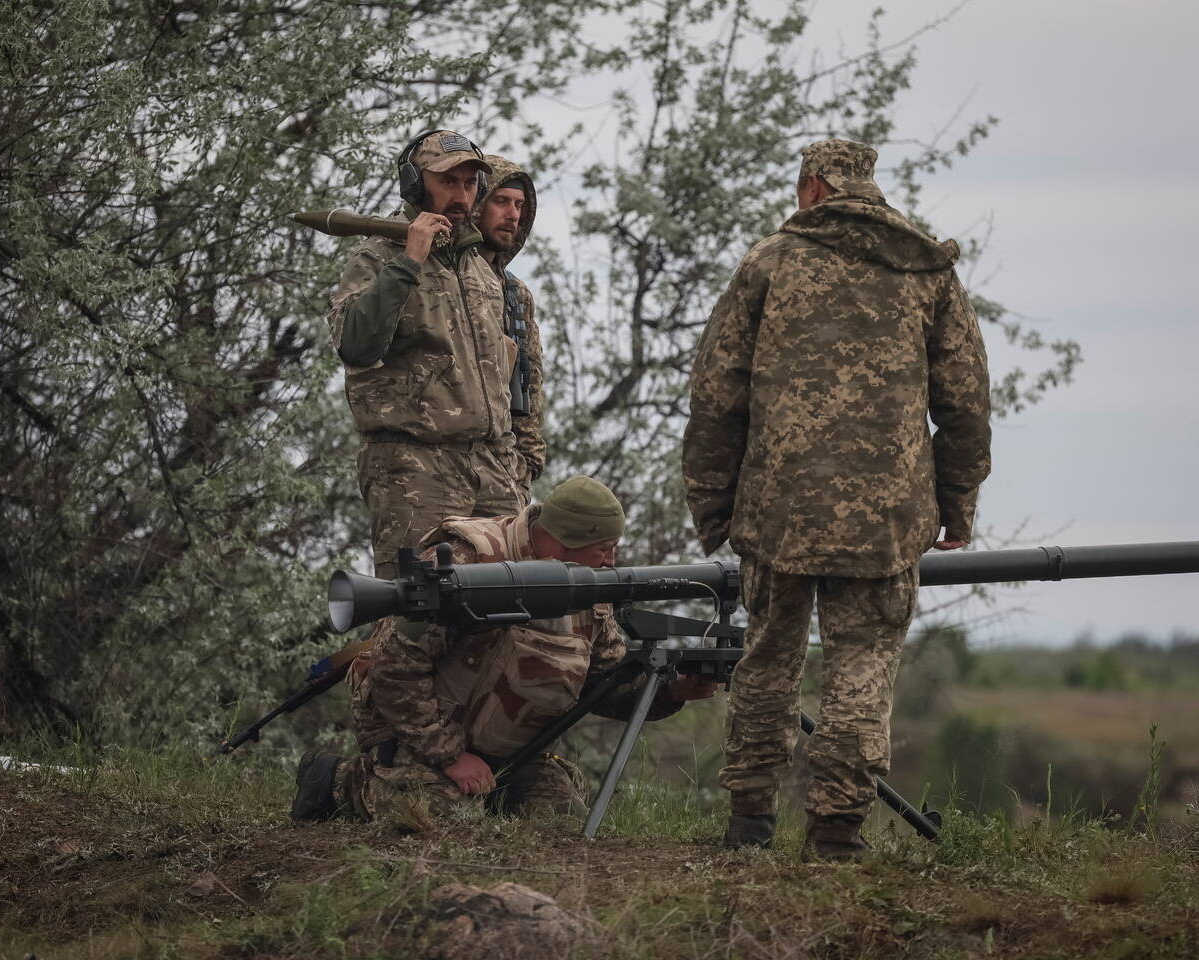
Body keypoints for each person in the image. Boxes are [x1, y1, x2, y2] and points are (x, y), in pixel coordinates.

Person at [681, 139, 991, 861]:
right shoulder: (925, 270)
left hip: (777, 509)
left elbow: (715, 394)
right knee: (864, 663)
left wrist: (712, 504)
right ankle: (837, 831)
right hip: (885, 518)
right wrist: (958, 505)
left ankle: (750, 820)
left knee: (767, 657)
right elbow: (967, 404)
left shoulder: (768, 263)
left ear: (813, 187)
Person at [292, 476, 717, 828]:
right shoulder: (471, 563)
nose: (612, 561)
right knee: (441, 820)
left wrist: (673, 691)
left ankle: (491, 791)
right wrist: (451, 756)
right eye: (602, 549)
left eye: (614, 547)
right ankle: (341, 781)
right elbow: (393, 666)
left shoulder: (590, 584)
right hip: (420, 737)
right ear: (556, 540)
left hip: (512, 752)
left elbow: (604, 684)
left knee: (560, 829)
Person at [326, 129, 524, 582]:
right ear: (415, 184)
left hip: (492, 467)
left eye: (470, 183)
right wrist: (408, 263)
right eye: (448, 181)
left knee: (509, 612)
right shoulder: (377, 257)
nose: (462, 195)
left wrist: (514, 460)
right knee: (416, 621)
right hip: (417, 471)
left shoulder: (478, 265)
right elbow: (356, 344)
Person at [470, 154, 547, 502]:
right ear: (478, 204)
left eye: (519, 205)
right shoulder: (441, 277)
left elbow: (530, 388)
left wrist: (526, 469)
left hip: (503, 470)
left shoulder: (516, 294)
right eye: (501, 201)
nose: (513, 214)